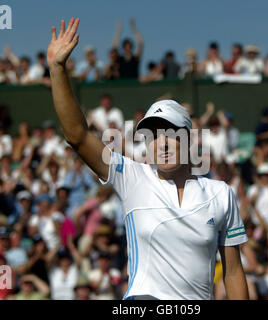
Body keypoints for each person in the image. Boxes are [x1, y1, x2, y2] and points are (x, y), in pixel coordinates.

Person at [47, 17, 249, 300]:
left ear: (189, 139)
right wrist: (57, 69)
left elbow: (233, 273)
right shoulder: (131, 177)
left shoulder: (221, 194)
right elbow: (77, 136)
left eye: (169, 133)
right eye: (152, 136)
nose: (161, 143)